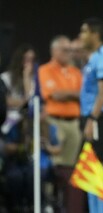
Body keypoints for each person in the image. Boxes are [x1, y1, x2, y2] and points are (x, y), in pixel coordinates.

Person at [38, 35, 84, 212]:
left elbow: (82, 95)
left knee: (70, 170)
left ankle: (67, 207)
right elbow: (53, 94)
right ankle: (49, 205)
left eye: (70, 50)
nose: (69, 54)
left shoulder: (75, 72)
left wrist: (66, 94)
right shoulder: (44, 70)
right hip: (52, 122)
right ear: (54, 51)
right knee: (53, 166)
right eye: (65, 50)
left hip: (73, 124)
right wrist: (72, 94)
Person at [79, 17, 103, 213]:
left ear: (95, 34)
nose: (81, 35)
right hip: (91, 118)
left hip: (99, 118)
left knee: (100, 168)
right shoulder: (94, 57)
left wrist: (92, 119)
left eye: (84, 31)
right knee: (90, 169)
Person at [0, 44, 37, 212]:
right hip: (6, 125)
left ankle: (26, 204)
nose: (29, 63)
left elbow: (29, 106)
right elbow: (7, 102)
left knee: (30, 171)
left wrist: (27, 78)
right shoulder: (5, 78)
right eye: (26, 59)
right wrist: (22, 103)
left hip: (24, 126)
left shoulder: (31, 80)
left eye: (32, 60)